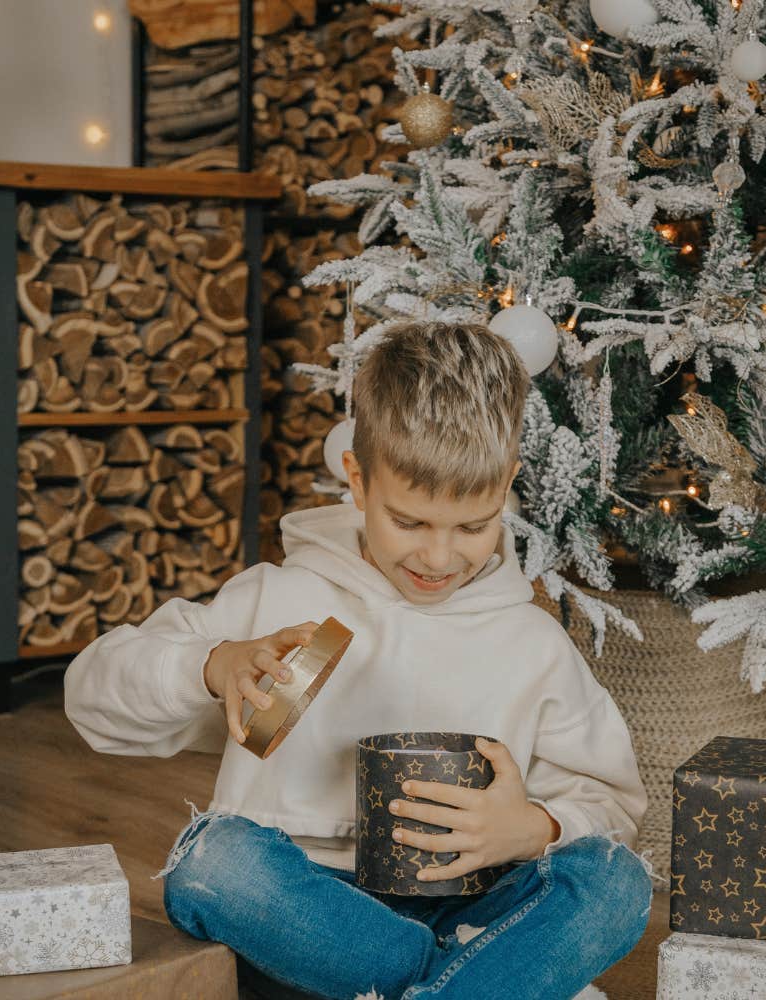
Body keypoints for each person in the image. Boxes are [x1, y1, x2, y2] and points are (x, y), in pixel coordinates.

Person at [64, 322, 652, 1000]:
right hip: (312, 913)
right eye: (410, 522)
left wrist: (533, 827)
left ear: (508, 488)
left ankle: (425, 981)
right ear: (358, 482)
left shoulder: (533, 643)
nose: (439, 558)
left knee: (616, 882)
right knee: (210, 861)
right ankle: (468, 983)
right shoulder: (279, 601)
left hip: (473, 905)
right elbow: (90, 699)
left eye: (471, 525)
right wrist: (214, 665)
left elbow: (610, 804)